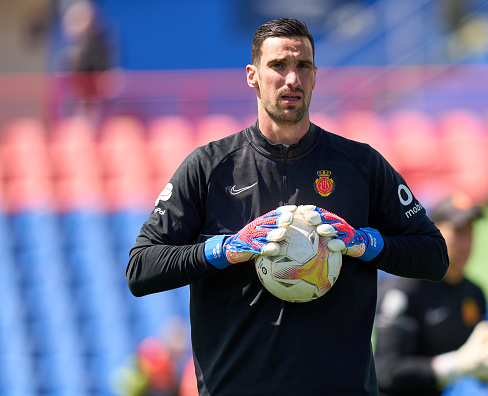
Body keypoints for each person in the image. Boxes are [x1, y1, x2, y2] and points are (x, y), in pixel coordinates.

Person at [127, 18, 448, 396]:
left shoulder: (360, 164)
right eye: (278, 65)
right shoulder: (209, 166)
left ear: (315, 76)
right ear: (252, 75)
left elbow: (434, 255)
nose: (292, 79)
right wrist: (226, 249)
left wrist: (366, 244)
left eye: (303, 66)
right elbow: (141, 268)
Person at [374, 192, 488, 395]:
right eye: (459, 231)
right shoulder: (403, 290)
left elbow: (480, 364)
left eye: (470, 231)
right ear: (434, 233)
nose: (466, 242)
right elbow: (386, 371)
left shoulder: (475, 294)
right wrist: (455, 364)